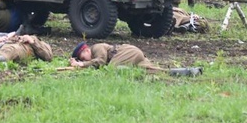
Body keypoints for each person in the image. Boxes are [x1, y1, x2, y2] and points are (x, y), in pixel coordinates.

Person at [69, 42, 201, 76]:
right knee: (155, 71)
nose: (84, 60)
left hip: (126, 52)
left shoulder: (96, 48)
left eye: (83, 57)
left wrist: (81, 65)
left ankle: (127, 72)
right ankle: (189, 71)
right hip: (130, 55)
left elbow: (101, 62)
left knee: (110, 70)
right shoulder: (93, 52)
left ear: (86, 50)